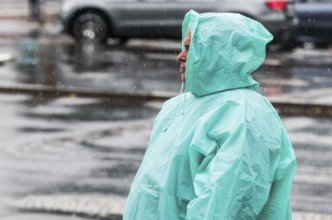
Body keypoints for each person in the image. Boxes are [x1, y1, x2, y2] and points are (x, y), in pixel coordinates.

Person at [124, 10, 297, 220]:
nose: (180, 55)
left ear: (215, 52)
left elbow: (226, 204)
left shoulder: (245, 115)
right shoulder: (177, 106)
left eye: (190, 48)